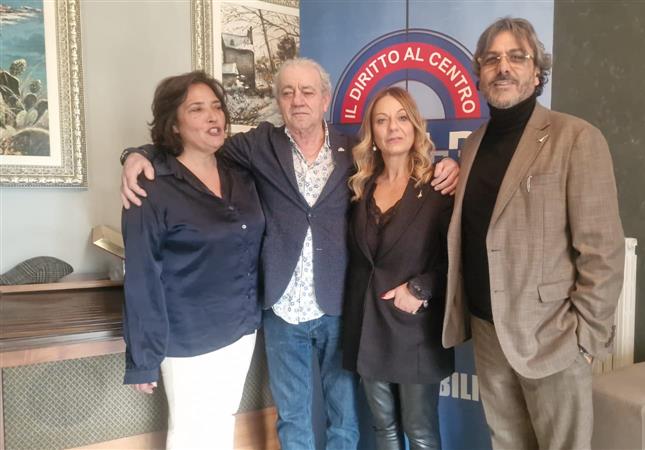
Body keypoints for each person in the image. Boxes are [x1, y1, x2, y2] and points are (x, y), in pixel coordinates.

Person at [119, 58, 459, 450]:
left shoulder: (355, 150)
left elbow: (405, 163)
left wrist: (450, 166)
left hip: (339, 306)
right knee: (293, 419)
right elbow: (197, 144)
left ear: (325, 99)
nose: (298, 100)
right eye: (287, 92)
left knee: (344, 418)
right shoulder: (257, 145)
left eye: (308, 91)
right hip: (281, 309)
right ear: (278, 101)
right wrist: (138, 154)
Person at [441, 17, 625, 450]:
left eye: (516, 57)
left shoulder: (576, 138)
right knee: (506, 443)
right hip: (488, 330)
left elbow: (603, 251)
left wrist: (585, 340)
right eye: (491, 59)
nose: (502, 67)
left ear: (537, 72)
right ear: (480, 73)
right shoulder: (473, 144)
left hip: (552, 336)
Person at [121, 71, 263, 450]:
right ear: (174, 124)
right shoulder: (150, 186)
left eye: (216, 107)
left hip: (241, 328)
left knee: (221, 425)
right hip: (189, 336)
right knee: (190, 436)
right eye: (197, 109)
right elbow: (142, 275)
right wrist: (143, 358)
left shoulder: (240, 173)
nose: (213, 116)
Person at [342, 87, 454, 450]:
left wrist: (420, 289)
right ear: (372, 133)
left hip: (414, 329)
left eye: (402, 117)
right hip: (368, 326)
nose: (393, 127)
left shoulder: (438, 186)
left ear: (415, 127)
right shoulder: (359, 188)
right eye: (382, 119)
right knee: (383, 428)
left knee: (419, 432)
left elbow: (457, 259)